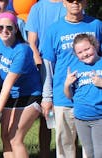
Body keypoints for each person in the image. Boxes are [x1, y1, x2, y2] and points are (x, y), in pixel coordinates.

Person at [40, 0, 102, 157]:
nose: (75, 2)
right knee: (65, 147)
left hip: (94, 98)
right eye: (70, 0)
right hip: (64, 97)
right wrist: (47, 96)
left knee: (94, 150)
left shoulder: (96, 25)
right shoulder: (54, 29)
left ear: (86, 2)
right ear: (64, 3)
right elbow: (47, 65)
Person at [0, 12, 42, 158]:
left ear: (16, 28)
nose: (4, 31)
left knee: (15, 138)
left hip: (29, 94)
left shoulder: (22, 50)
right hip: (13, 94)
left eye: (9, 27)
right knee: (5, 136)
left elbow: (7, 84)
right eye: (0, 27)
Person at [24, 1, 66, 157]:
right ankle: (45, 153)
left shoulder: (68, 4)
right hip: (45, 66)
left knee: (69, 113)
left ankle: (70, 151)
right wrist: (38, 61)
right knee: (47, 113)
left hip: (65, 64)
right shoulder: (38, 8)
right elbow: (32, 41)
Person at [64, 34, 102, 158]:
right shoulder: (75, 68)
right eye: (80, 52)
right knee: (89, 153)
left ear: (95, 46)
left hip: (99, 117)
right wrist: (67, 85)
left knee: (99, 153)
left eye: (87, 49)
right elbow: (69, 96)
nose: (84, 54)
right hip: (81, 117)